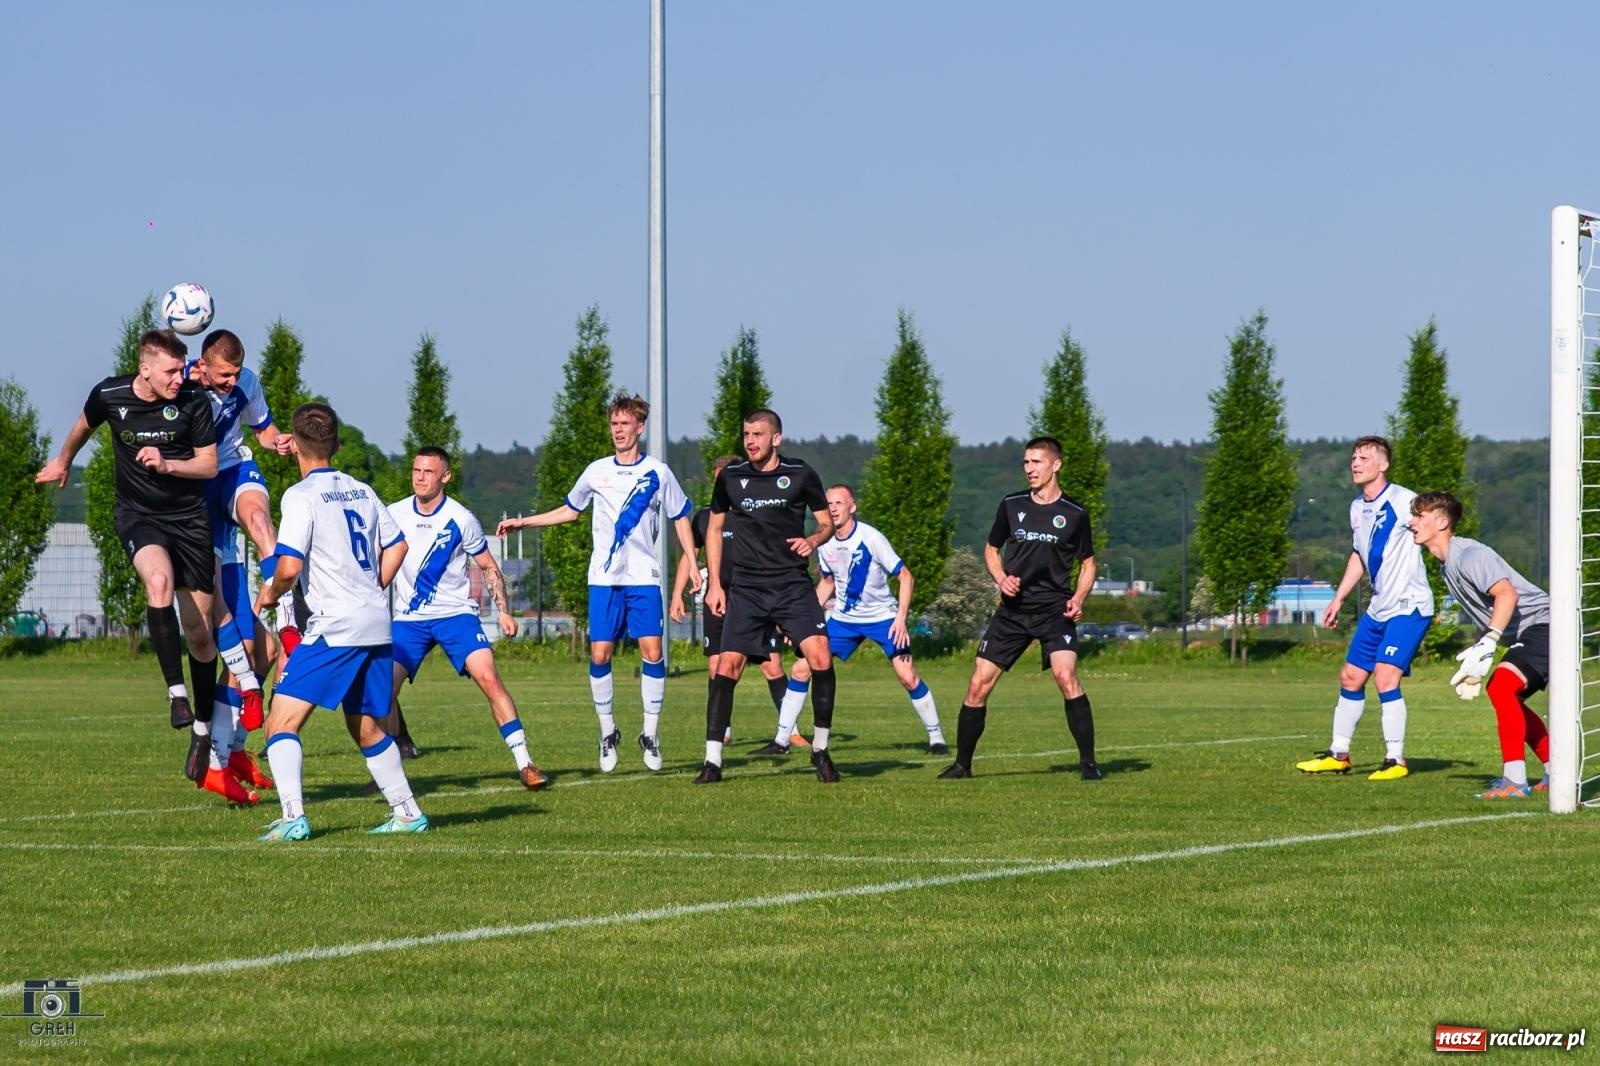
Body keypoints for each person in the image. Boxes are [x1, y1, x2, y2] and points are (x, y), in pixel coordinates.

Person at [35, 329, 225, 783]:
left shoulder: (194, 401)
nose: (180, 377)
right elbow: (83, 425)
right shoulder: (110, 394)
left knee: (200, 637)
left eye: (182, 370)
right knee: (156, 582)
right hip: (139, 516)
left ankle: (202, 729)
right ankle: (175, 693)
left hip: (189, 519)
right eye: (171, 371)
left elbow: (209, 464)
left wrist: (168, 464)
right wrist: (63, 461)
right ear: (145, 370)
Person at [498, 393, 697, 773]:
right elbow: (570, 511)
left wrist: (693, 561)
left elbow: (681, 516)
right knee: (599, 655)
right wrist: (524, 522)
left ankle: (650, 734)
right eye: (614, 424)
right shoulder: (596, 471)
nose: (618, 431)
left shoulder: (658, 472)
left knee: (653, 653)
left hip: (643, 578)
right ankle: (608, 734)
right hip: (604, 579)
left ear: (640, 427)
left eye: (624, 424)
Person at [253, 402, 425, 840]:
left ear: (294, 447)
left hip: (336, 627)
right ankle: (408, 813)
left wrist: (269, 594)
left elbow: (288, 567)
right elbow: (399, 545)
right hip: (375, 623)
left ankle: (293, 818)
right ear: (338, 445)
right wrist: (371, 588)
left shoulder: (300, 496)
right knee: (365, 724)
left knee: (280, 721)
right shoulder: (361, 490)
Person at [938, 437, 1099, 781]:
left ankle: (1088, 764)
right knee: (977, 684)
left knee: (1065, 676)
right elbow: (991, 549)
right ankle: (962, 765)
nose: (1029, 469)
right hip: (1012, 611)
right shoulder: (1011, 505)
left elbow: (1088, 564)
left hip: (1055, 611)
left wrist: (1078, 599)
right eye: (1026, 463)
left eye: (1036, 462)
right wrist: (1000, 578)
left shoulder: (1075, 513)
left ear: (1055, 465)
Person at [387, 447, 548, 790]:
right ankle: (388, 772)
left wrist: (504, 611)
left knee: (489, 679)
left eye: (428, 472)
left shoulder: (461, 519)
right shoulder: (394, 514)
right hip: (409, 619)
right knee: (382, 688)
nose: (419, 477)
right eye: (416, 470)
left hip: (456, 616)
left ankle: (526, 764)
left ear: (445, 477)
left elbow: (489, 567)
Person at [753, 484, 947, 756]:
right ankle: (782, 740)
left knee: (907, 675)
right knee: (801, 669)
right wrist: (799, 618)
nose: (832, 508)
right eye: (828, 503)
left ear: (851, 507)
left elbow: (906, 576)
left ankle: (936, 738)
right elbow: (827, 583)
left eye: (838, 503)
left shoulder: (871, 537)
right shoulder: (824, 542)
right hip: (844, 619)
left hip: (883, 618)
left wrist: (900, 619)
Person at [698, 409, 836, 783]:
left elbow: (827, 523)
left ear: (776, 438)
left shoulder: (801, 474)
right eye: (746, 435)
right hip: (747, 589)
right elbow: (713, 529)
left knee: (821, 656)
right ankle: (712, 762)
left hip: (792, 585)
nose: (750, 441)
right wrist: (715, 585)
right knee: (727, 667)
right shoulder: (731, 477)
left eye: (758, 434)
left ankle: (821, 750)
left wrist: (813, 540)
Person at [1296, 436, 1434, 780]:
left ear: (1383, 464)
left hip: (1409, 606)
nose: (1356, 463)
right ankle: (1338, 754)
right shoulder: (1357, 507)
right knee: (1351, 676)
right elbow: (1360, 554)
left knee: (1385, 677)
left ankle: (1395, 760)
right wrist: (1339, 597)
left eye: (1365, 457)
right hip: (1379, 608)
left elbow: (1436, 527)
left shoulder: (1405, 501)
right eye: (1354, 457)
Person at [1409, 491, 1553, 799]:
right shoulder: (1447, 566)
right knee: (1505, 694)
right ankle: (1556, 770)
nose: (1412, 522)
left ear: (1442, 521)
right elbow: (1485, 611)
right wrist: (1476, 653)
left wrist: (1489, 642)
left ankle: (1514, 782)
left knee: (1501, 688)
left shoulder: (1469, 555)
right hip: (1533, 631)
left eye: (1420, 516)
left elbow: (1507, 595)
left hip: (1546, 626)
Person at [669, 454, 806, 748]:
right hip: (717, 599)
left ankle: (790, 730)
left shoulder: (753, 512)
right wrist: (676, 594)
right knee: (717, 666)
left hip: (754, 597)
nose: (723, 483)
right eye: (718, 478)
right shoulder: (705, 517)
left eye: (727, 477)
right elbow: (689, 556)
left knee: (772, 666)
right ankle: (722, 731)